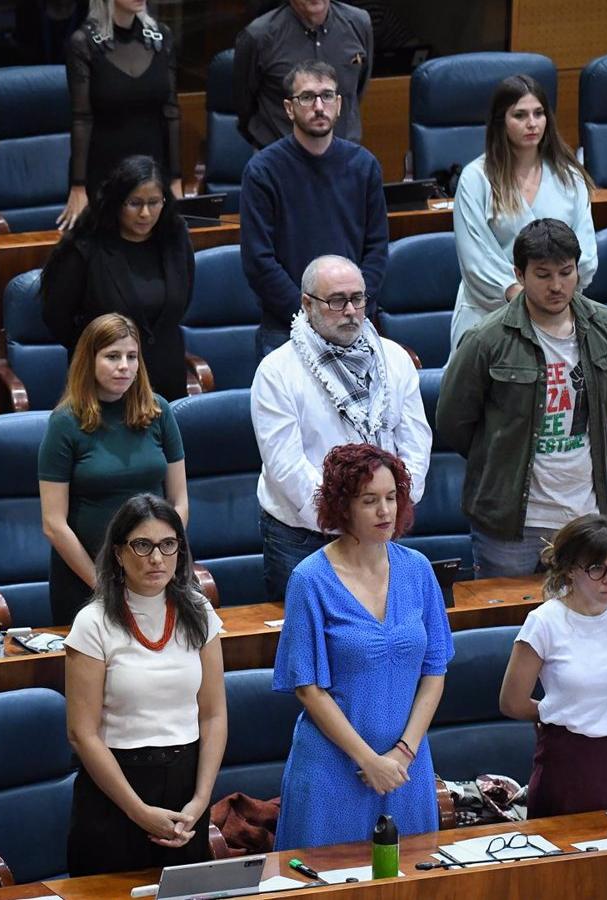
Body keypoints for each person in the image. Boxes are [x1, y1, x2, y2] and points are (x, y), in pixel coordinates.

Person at [272, 443, 454, 849]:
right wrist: (369, 761)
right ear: (343, 507)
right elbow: (308, 688)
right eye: (370, 501)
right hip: (333, 769)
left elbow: (435, 670)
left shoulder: (418, 569)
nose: (385, 511)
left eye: (391, 498)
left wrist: (402, 753)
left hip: (406, 768)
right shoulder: (309, 580)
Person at [438, 219, 607, 579]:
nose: (557, 286)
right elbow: (453, 420)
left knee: (583, 624)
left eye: (565, 272)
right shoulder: (486, 339)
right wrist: (500, 453)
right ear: (519, 274)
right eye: (542, 275)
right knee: (511, 626)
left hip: (585, 512)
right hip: (509, 521)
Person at [251, 255, 429, 603]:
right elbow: (286, 466)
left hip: (381, 526)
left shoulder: (394, 360)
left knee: (378, 635)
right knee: (309, 645)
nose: (350, 310)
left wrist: (391, 504)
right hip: (304, 536)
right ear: (307, 304)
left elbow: (416, 443)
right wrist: (348, 517)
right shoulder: (277, 371)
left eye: (358, 299)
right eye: (336, 301)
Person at [64, 494, 225, 874]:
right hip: (117, 790)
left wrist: (201, 801)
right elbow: (82, 733)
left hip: (186, 788)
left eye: (168, 545)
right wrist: (138, 811)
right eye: (142, 545)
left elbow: (214, 715)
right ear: (119, 553)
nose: (157, 558)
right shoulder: (93, 622)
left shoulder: (200, 612)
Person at [499, 515, 607, 819]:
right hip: (568, 763)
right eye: (597, 569)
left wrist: (602, 707)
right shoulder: (544, 622)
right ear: (570, 570)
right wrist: (563, 710)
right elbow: (511, 702)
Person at [40, 314, 187, 624]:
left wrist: (163, 559)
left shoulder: (159, 412)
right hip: (87, 581)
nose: (124, 366)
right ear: (89, 360)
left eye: (131, 356)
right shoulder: (66, 422)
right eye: (112, 356)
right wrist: (105, 586)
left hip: (155, 573)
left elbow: (179, 502)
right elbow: (54, 523)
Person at [240, 59, 388, 360]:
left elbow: (376, 249)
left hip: (352, 324)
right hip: (287, 328)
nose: (319, 106)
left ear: (339, 104)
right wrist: (313, 315)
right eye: (307, 97)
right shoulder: (263, 171)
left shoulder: (364, 166)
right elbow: (259, 260)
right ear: (289, 108)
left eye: (327, 96)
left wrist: (351, 307)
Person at [451, 74, 597, 351]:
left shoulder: (570, 177)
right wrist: (527, 301)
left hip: (557, 310)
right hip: (490, 314)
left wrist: (552, 297)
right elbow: (476, 260)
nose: (532, 123)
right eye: (520, 115)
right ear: (500, 122)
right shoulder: (476, 178)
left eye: (538, 113)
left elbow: (585, 254)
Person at [42, 155, 194, 400]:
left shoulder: (175, 237)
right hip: (104, 385)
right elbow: (56, 315)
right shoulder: (87, 245)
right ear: (117, 202)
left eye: (154, 202)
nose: (145, 213)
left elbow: (183, 300)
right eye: (134, 203)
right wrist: (97, 350)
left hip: (166, 380)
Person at [56, 0, 182, 231]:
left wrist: (175, 179)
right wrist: (78, 186)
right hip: (105, 173)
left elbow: (171, 111)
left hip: (153, 173)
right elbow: (82, 119)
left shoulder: (161, 37)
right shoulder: (83, 43)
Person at [233, 0, 373, 150]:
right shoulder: (258, 36)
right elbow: (244, 106)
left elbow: (356, 91)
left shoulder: (358, 23)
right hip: (281, 160)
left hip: (344, 157)